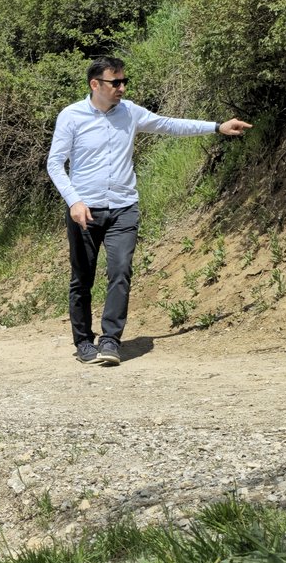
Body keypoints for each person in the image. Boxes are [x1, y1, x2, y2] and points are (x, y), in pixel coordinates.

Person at [46, 57, 252, 366]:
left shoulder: (130, 112)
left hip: (123, 208)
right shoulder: (71, 117)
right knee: (82, 278)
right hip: (84, 210)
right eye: (115, 83)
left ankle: (111, 341)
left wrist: (217, 127)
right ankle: (84, 342)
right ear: (95, 85)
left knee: (120, 271)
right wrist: (74, 201)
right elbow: (55, 163)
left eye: (123, 81)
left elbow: (169, 125)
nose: (122, 87)